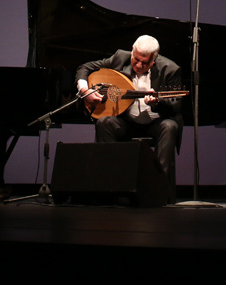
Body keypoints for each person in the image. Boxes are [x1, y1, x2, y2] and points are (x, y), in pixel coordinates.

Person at [75, 35, 183, 196]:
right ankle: (111, 187)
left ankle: (158, 190)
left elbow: (176, 106)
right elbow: (84, 68)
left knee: (169, 126)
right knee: (105, 122)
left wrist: (158, 103)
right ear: (132, 51)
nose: (139, 65)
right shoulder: (120, 58)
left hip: (155, 123)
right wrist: (85, 90)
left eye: (145, 62)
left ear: (154, 59)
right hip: (127, 122)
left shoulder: (170, 69)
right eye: (136, 59)